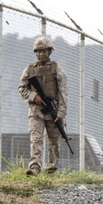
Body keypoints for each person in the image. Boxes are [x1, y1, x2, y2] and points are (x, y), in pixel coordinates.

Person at [18, 36, 68, 176]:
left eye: (44, 51)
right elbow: (22, 88)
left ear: (49, 51)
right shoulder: (29, 69)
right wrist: (34, 97)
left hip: (53, 108)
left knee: (54, 141)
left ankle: (51, 168)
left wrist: (61, 113)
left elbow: (63, 92)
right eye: (38, 52)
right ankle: (34, 168)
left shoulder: (57, 69)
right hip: (35, 109)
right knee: (36, 139)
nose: (41, 54)